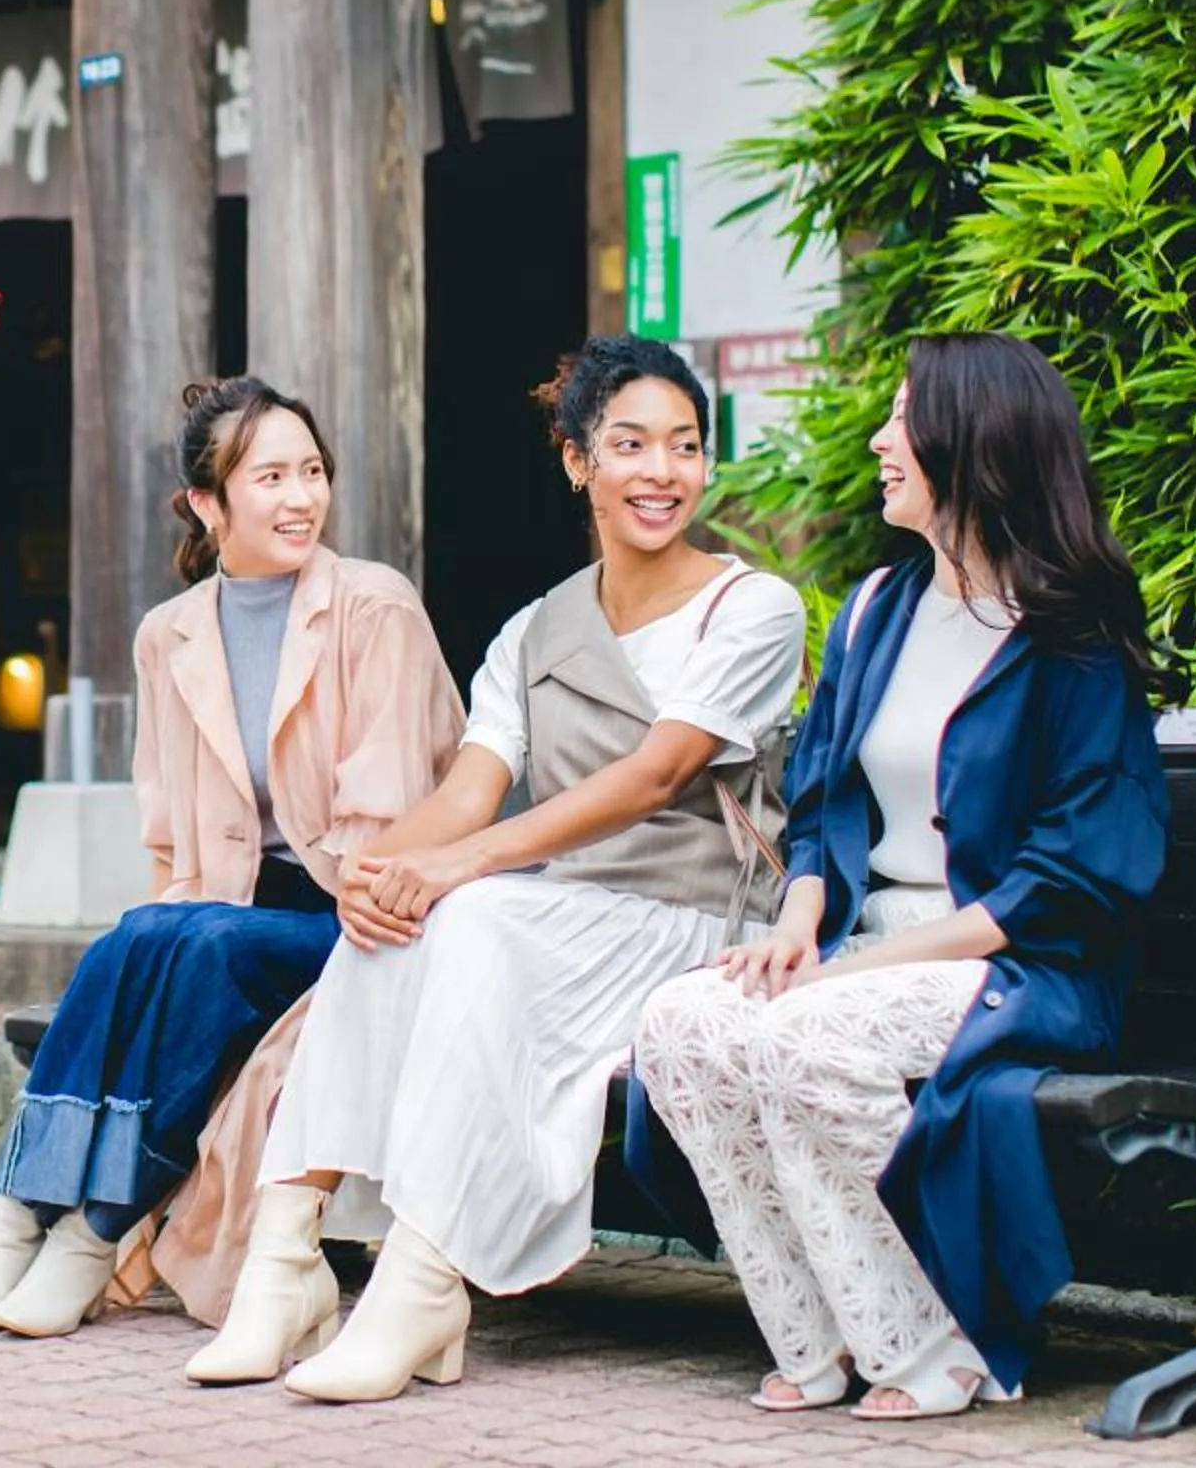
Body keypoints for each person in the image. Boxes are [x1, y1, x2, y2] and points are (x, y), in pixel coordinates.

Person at [185, 335, 807, 1401]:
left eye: (686, 446)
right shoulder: (533, 632)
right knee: (396, 923)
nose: (663, 471)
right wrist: (380, 872)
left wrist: (456, 870)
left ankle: (425, 1275)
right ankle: (285, 1257)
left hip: (694, 923)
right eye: (631, 444)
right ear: (579, 460)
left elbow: (657, 774)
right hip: (562, 925)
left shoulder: (752, 607)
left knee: (467, 916)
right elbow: (469, 791)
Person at [630, 331, 1171, 1421]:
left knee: (802, 1032)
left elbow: (1070, 875)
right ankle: (817, 1331)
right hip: (872, 946)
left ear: (973, 444)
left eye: (902, 417)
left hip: (1017, 963)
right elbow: (826, 796)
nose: (881, 439)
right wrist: (803, 918)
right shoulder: (882, 605)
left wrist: (857, 967)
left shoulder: (1072, 632)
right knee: (685, 1021)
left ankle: (937, 1338)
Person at [0, 378, 464, 1340]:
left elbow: (389, 825)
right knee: (153, 933)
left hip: (359, 911)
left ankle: (92, 1235)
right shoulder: (166, 635)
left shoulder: (373, 607)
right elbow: (170, 834)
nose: (300, 498)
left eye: (311, 473)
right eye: (270, 478)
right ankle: (12, 1228)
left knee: (194, 943)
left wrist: (189, 930)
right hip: (220, 910)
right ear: (208, 506)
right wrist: (166, 937)